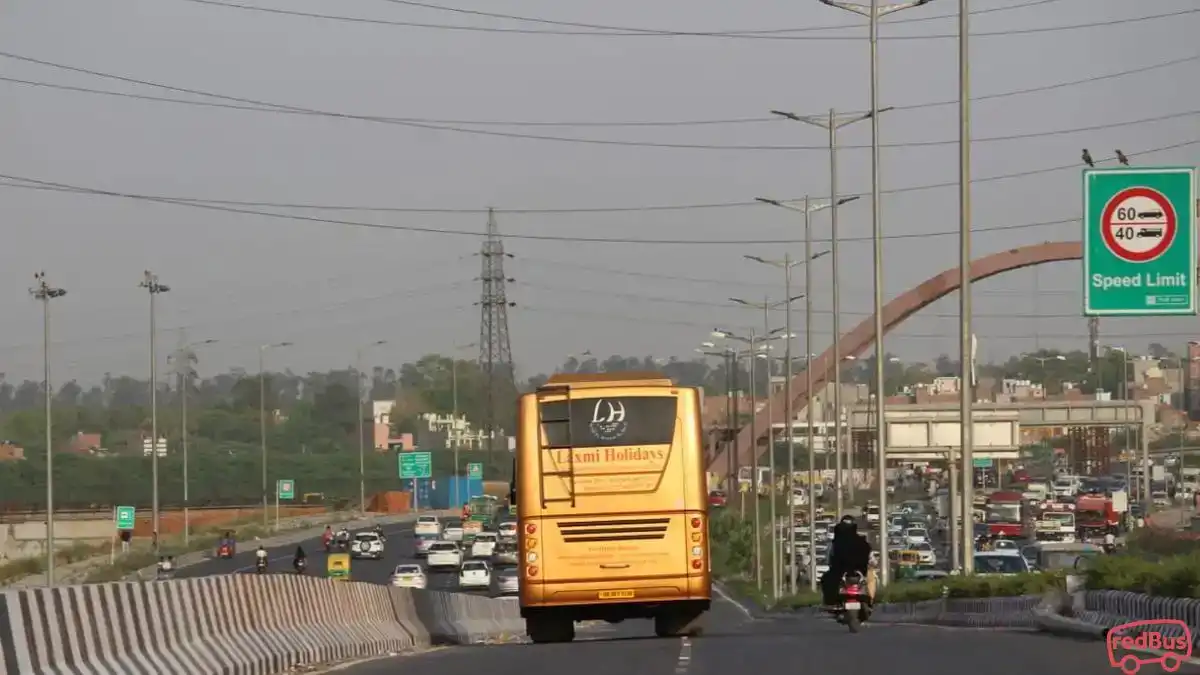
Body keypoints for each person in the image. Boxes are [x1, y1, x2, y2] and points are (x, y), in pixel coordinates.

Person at [821, 516, 874, 607]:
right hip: (850, 572)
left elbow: (829, 559)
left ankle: (870, 601)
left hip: (853, 572)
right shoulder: (861, 542)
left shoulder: (836, 543)